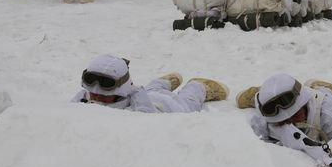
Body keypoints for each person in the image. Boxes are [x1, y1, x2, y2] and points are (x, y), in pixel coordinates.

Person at [236, 74, 332, 167]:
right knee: (255, 101)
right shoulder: (265, 118)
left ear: (304, 104)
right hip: (268, 105)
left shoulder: (331, 115)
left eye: (295, 115)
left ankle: (322, 88)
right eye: (281, 121)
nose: (289, 122)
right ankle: (257, 95)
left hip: (321, 100)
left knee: (327, 96)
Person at [72, 54, 228, 113]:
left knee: (188, 105)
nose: (96, 98)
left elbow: (146, 119)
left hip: (165, 106)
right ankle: (162, 83)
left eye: (103, 96)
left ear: (122, 90)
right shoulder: (87, 96)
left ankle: (197, 86)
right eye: (93, 94)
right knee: (151, 90)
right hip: (149, 94)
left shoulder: (139, 111)